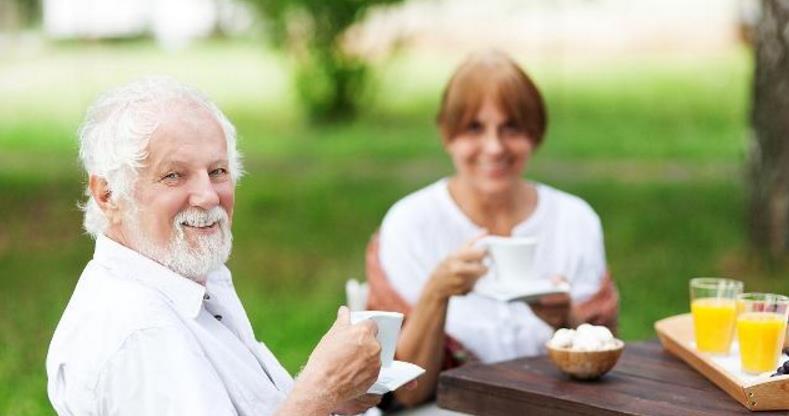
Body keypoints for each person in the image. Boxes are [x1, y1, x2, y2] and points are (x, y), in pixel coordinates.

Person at [46, 77, 386, 415]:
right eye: (174, 175)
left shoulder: (184, 281)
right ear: (108, 195)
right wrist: (320, 390)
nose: (209, 195)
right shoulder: (143, 334)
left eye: (218, 171)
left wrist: (335, 399)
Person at [366, 50, 619, 407]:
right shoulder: (410, 222)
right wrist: (436, 294)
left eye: (511, 127)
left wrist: (568, 320)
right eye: (474, 128)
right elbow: (407, 396)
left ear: (534, 133)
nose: (494, 147)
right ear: (447, 134)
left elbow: (600, 380)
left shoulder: (574, 221)